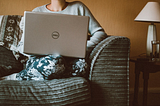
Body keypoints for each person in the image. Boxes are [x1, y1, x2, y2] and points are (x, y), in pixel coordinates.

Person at [15, 0, 107, 80]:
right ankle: (22, 76)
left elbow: (100, 33)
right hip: (43, 61)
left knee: (82, 66)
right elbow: (21, 46)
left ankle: (37, 76)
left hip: (68, 60)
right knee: (54, 64)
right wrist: (26, 29)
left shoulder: (78, 7)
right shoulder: (37, 12)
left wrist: (82, 48)